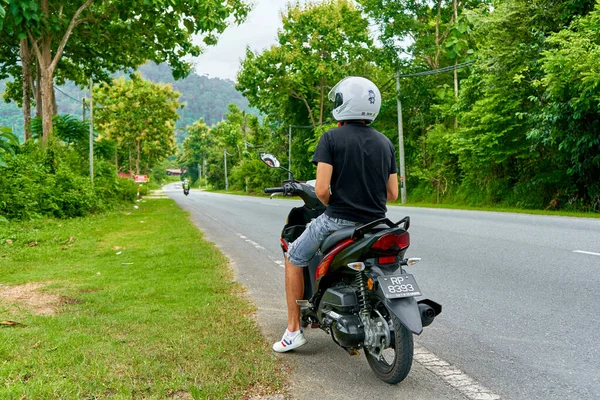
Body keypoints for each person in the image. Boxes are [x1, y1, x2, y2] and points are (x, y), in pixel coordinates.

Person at [273, 76, 399, 352]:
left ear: (344, 103)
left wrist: (333, 202)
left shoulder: (331, 138)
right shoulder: (385, 143)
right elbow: (392, 194)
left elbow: (320, 190)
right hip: (377, 224)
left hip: (338, 221)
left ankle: (294, 330)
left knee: (293, 255)